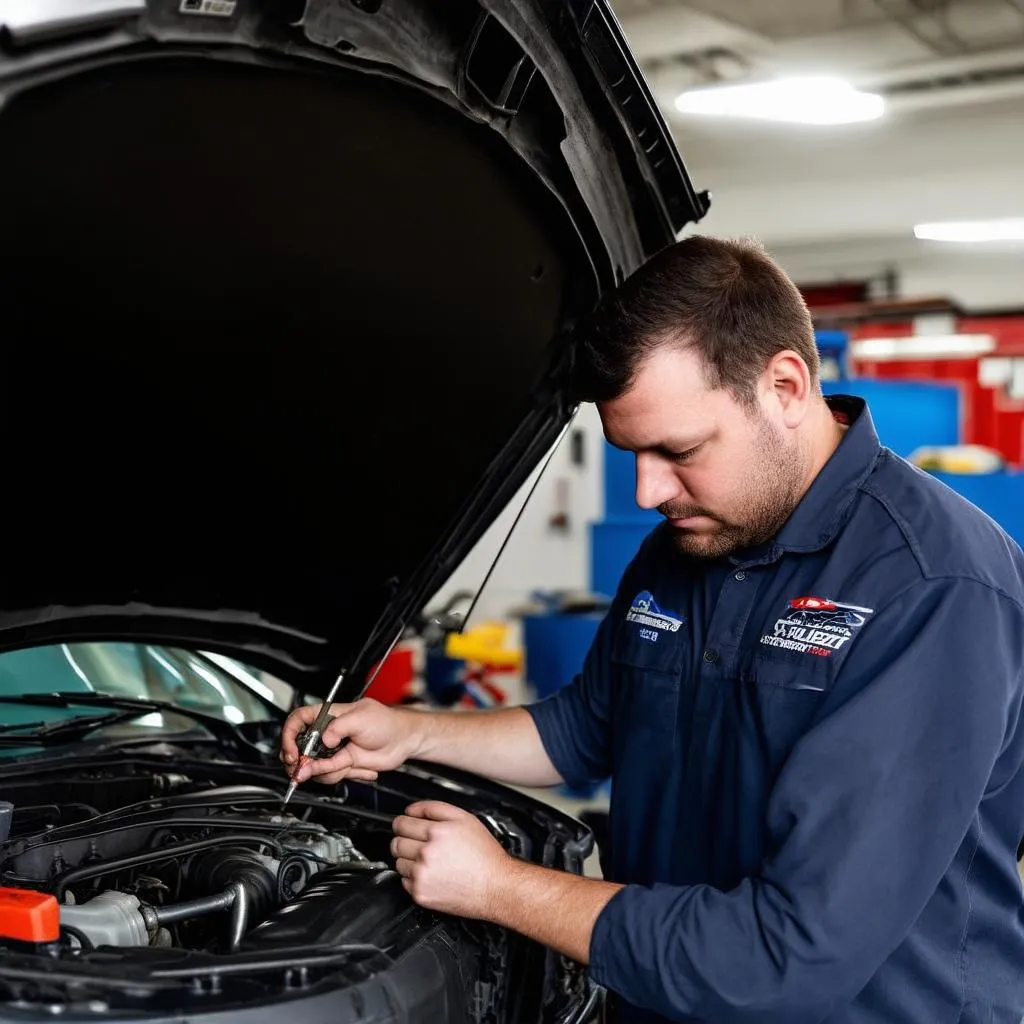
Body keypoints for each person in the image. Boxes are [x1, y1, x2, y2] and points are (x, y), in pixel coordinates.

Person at [280, 236, 1024, 1023]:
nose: (646, 489)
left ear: (785, 387)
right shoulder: (689, 544)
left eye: (678, 450)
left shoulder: (934, 591)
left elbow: (789, 956)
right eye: (630, 452)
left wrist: (498, 886)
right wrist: (408, 734)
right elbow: (585, 730)